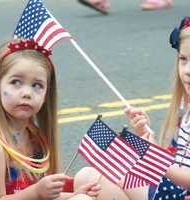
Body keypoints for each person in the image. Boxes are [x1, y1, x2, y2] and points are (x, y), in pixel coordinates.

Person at [74, 16, 190, 200]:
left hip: (178, 193)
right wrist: (146, 135)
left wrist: (156, 159)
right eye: (183, 59)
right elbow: (180, 158)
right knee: (86, 178)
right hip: (169, 188)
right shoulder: (186, 105)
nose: (187, 69)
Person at [0, 38, 101, 200]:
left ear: (46, 95)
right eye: (16, 82)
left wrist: (73, 194)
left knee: (91, 178)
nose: (27, 93)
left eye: (37, 85)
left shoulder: (35, 137)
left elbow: (43, 196)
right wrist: (36, 192)